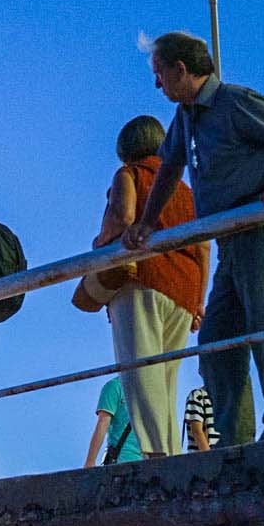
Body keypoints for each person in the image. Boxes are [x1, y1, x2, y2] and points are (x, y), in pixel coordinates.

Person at [125, 31, 264, 445]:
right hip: (229, 238)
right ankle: (234, 437)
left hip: (263, 230)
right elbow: (170, 169)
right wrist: (148, 223)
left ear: (181, 69)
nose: (157, 85)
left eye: (160, 75)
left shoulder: (234, 101)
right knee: (216, 341)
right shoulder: (185, 118)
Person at [75, 116, 205, 457]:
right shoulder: (186, 190)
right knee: (166, 379)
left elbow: (123, 217)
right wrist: (199, 299)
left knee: (141, 377)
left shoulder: (130, 174)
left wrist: (99, 244)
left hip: (143, 280)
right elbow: (204, 244)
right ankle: (170, 455)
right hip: (184, 289)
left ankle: (158, 459)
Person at [83, 377, 144, 467]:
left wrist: (90, 462)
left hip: (148, 461)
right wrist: (90, 461)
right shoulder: (115, 386)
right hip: (124, 458)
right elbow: (103, 423)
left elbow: (103, 422)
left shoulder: (154, 390)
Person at [184, 383, 218, 452]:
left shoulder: (227, 398)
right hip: (207, 459)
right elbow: (196, 431)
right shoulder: (198, 394)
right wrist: (211, 459)